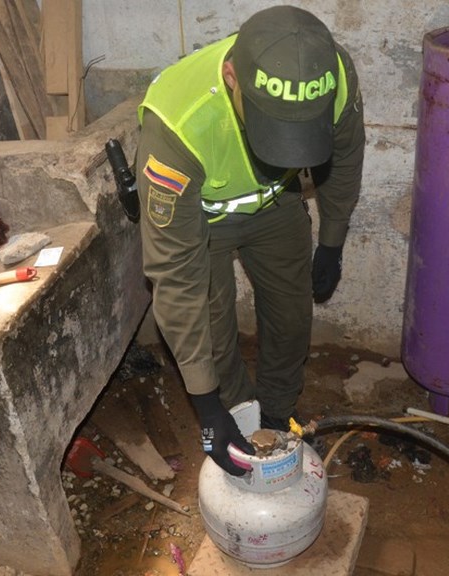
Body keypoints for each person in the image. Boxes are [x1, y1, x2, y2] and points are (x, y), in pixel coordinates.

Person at [135, 5, 365, 476]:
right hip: (204, 220)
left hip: (277, 203)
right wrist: (206, 405)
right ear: (231, 77)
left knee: (290, 312)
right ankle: (241, 415)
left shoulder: (333, 75)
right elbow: (176, 279)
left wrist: (333, 241)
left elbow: (344, 160)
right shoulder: (179, 124)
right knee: (213, 330)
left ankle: (276, 415)